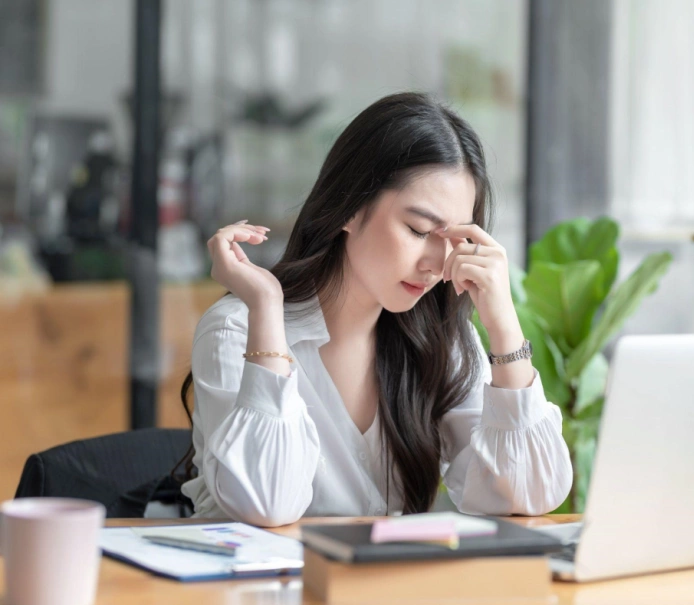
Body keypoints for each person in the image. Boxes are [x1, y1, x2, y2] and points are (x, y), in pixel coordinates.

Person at [177, 92, 573, 527]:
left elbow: (529, 494)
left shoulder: (443, 342)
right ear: (349, 208)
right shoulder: (237, 329)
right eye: (418, 230)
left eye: (455, 239)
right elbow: (266, 504)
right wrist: (267, 307)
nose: (438, 263)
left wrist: (504, 328)